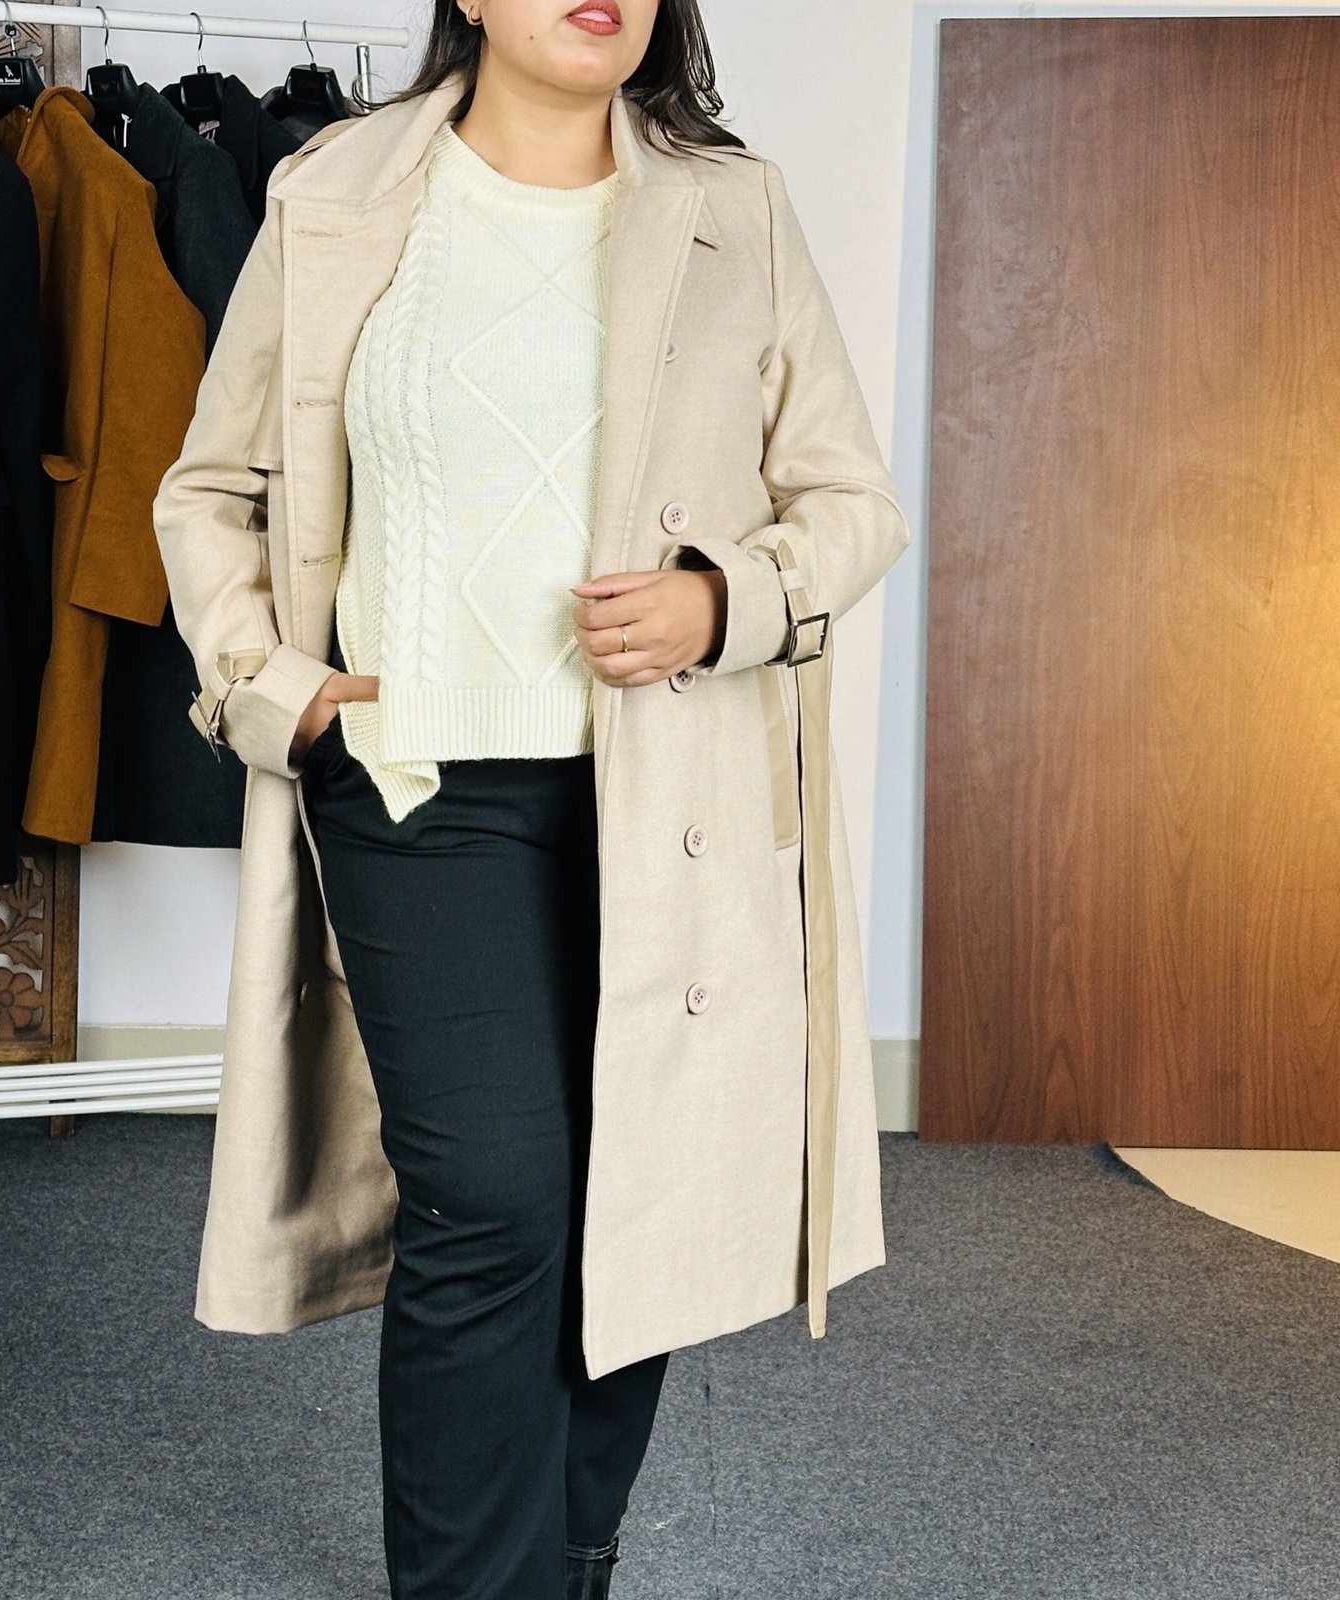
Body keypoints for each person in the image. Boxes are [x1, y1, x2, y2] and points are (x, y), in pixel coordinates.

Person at [154, 1, 913, 1596]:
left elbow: (849, 499)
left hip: (672, 790)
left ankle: (569, 1562)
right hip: (416, 781)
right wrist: (275, 688)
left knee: (633, 1193)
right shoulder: (335, 191)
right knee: (495, 1198)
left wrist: (724, 600)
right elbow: (211, 487)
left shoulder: (732, 205)